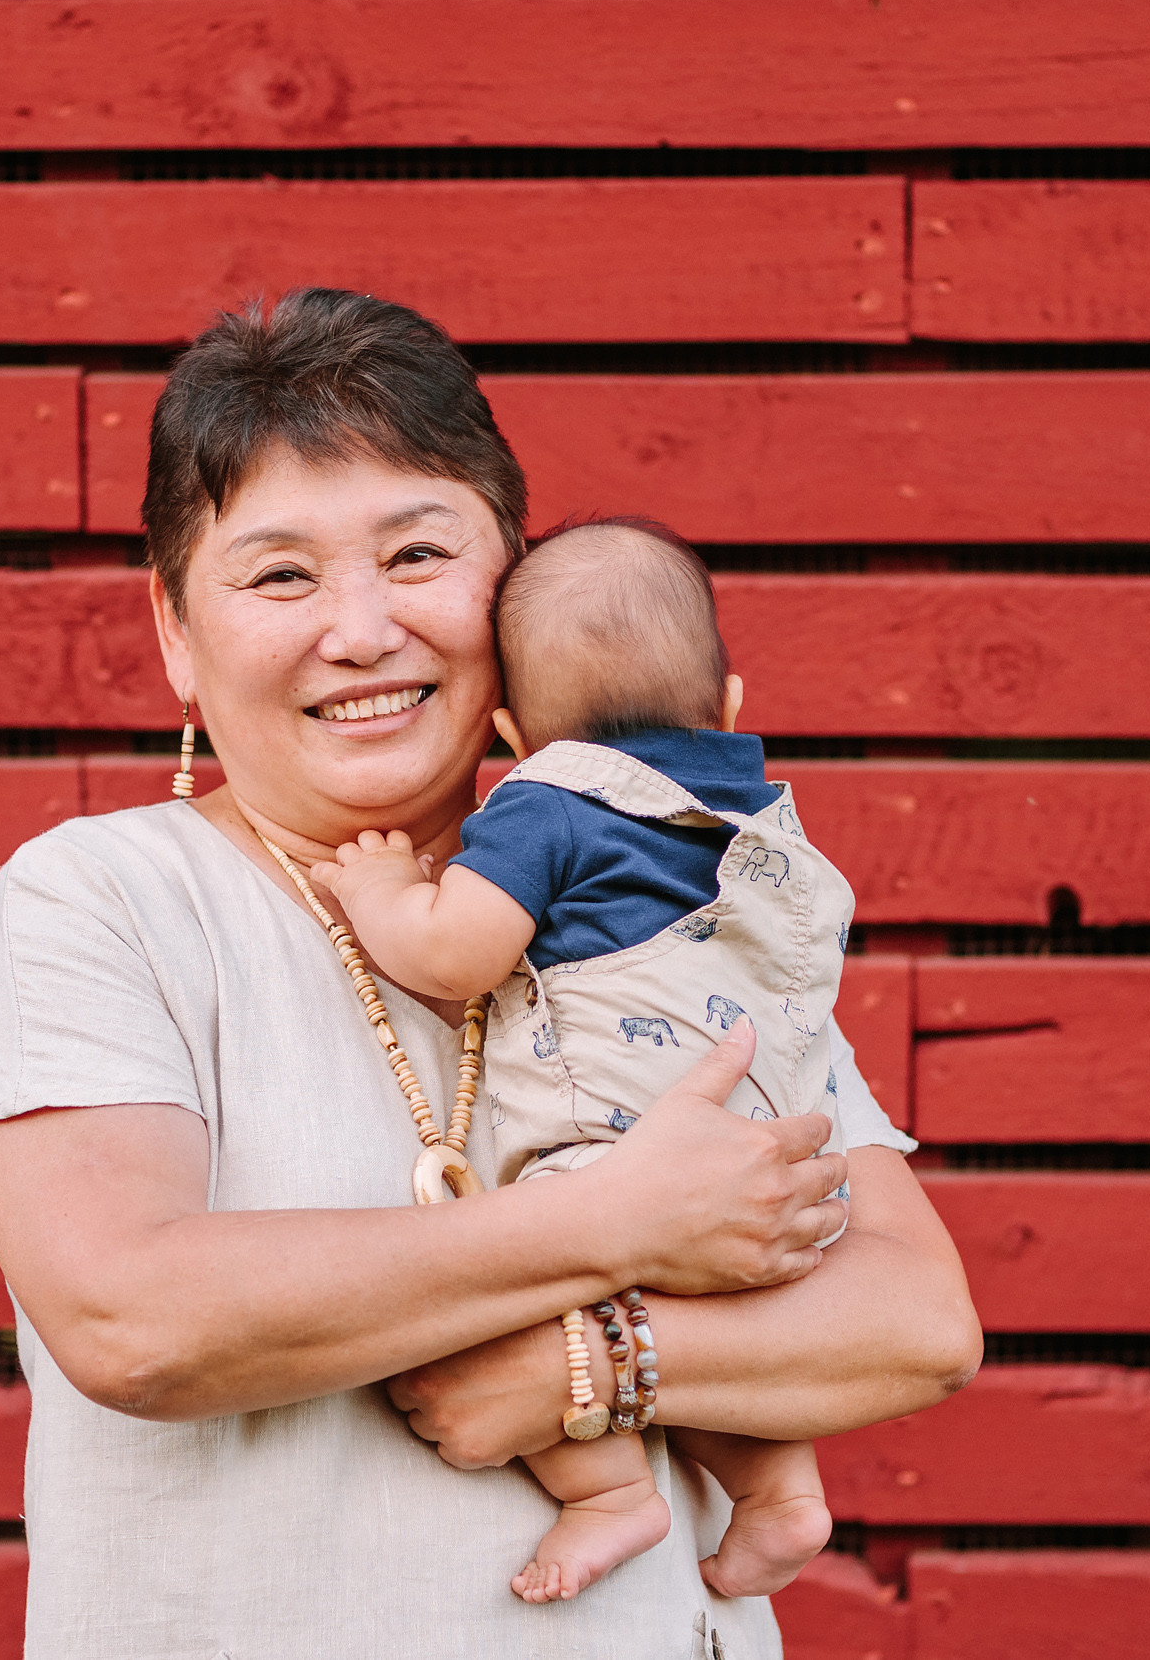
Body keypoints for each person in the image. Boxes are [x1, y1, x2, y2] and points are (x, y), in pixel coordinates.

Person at [0, 286, 980, 1660]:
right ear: (178, 632)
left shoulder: (674, 894)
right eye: (281, 574)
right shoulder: (102, 903)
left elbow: (915, 1319)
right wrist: (612, 1226)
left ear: (517, 588)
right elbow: (132, 1315)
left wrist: (583, 1365)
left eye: (418, 554)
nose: (361, 629)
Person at [312, 518, 850, 1607]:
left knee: (502, 1285)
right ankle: (780, 1479)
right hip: (769, 1167)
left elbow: (458, 953)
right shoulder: (765, 820)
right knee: (732, 1330)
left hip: (612, 1149)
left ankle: (609, 1493)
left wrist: (379, 893)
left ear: (513, 732)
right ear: (731, 705)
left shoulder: (548, 803)